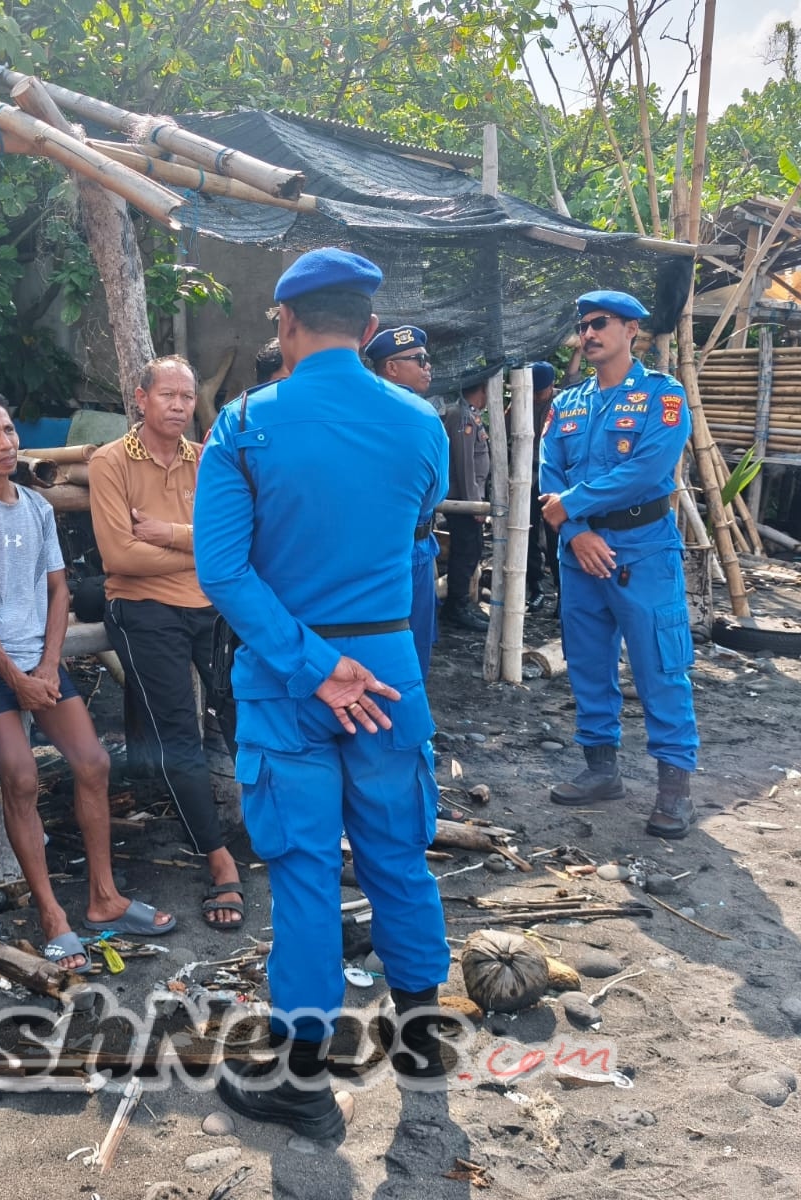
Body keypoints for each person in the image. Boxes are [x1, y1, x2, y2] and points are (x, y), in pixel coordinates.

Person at [195, 249, 454, 1144]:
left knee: (306, 874)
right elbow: (418, 525)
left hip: (284, 678)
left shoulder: (243, 424)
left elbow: (222, 569)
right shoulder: (423, 422)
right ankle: (423, 1045)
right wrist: (349, 658)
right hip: (388, 672)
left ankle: (302, 1084)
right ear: (372, 330)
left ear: (287, 325)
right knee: (398, 857)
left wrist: (311, 664)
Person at [0, 386, 174, 970]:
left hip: (40, 660)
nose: (6, 442)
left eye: (9, 430)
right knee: (18, 779)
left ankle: (104, 898)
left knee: (93, 763)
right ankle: (51, 915)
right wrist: (15, 675)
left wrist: (46, 664)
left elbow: (59, 589)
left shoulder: (36, 506)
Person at [88, 358, 245, 931]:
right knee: (178, 734)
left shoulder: (205, 460)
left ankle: (279, 832)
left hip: (209, 605)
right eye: (168, 396)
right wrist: (198, 547)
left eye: (186, 396)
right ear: (141, 399)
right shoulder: (109, 462)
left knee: (242, 712)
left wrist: (170, 534)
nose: (179, 406)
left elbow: (231, 540)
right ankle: (219, 860)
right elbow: (120, 557)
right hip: (143, 608)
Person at [539, 290, 699, 838]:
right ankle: (600, 770)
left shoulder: (663, 396)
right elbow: (548, 473)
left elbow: (648, 467)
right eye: (582, 325)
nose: (588, 333)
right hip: (581, 554)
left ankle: (674, 790)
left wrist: (572, 509)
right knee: (587, 663)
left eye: (599, 323)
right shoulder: (568, 404)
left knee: (659, 664)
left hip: (643, 550)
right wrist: (578, 533)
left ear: (632, 329)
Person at [365, 324, 445, 672]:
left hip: (367, 546)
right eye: (418, 359)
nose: (427, 366)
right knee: (411, 648)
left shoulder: (360, 411)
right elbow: (437, 491)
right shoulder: (422, 416)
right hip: (411, 544)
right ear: (391, 368)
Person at [440, 375, 492, 631]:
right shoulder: (461, 416)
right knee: (465, 551)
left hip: (470, 499)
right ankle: (456, 606)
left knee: (473, 550)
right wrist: (474, 503)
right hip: (463, 501)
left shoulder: (470, 414)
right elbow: (464, 463)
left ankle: (462, 602)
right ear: (482, 388)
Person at [526, 361, 560, 613]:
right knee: (527, 534)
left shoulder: (563, 404)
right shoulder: (520, 403)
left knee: (555, 536)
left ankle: (563, 593)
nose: (537, 395)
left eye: (541, 391)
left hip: (555, 480)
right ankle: (535, 589)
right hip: (526, 478)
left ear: (551, 386)